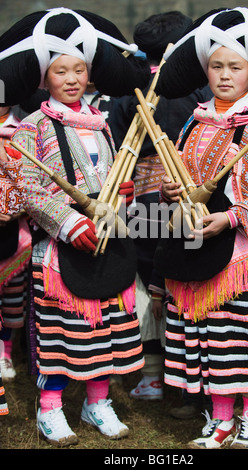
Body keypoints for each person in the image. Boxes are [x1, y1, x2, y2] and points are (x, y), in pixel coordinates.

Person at [0, 7, 150, 447]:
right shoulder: (32, 128)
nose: (71, 78)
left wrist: (125, 194)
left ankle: (97, 403)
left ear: (90, 75)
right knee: (63, 335)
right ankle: (50, 409)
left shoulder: (101, 125)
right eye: (60, 71)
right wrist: (68, 222)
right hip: (61, 251)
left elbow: (112, 178)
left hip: (108, 242)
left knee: (107, 331)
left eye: (79, 70)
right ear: (44, 78)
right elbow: (29, 190)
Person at [154, 7, 248, 449]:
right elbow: (176, 174)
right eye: (216, 66)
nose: (223, 74)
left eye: (234, 67)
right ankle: (219, 420)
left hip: (246, 259)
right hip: (197, 252)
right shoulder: (192, 123)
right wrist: (170, 193)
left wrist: (233, 217)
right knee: (212, 343)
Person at [109, 11, 212, 408]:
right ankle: (188, 382)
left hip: (138, 202)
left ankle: (152, 375)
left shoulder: (127, 93)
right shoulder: (197, 91)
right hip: (184, 200)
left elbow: (116, 142)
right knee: (182, 283)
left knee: (147, 280)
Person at [0, 106, 32, 382]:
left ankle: (6, 352)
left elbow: (31, 179)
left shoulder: (23, 130)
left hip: (14, 231)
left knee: (12, 297)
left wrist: (16, 209)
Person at [0, 140, 26, 418]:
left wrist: (7, 159)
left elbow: (27, 188)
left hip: (13, 238)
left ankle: (4, 353)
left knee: (11, 301)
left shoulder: (18, 136)